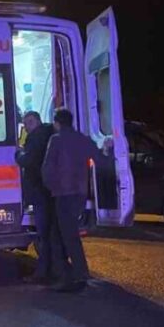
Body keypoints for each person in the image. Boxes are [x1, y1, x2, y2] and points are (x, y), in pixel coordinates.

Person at [41, 108, 99, 292]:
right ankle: (76, 274)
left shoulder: (56, 140)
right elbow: (98, 158)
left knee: (64, 236)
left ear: (57, 122)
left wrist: (51, 187)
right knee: (67, 233)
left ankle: (72, 276)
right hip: (79, 194)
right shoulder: (82, 139)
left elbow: (47, 168)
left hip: (63, 194)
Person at [15, 111, 60, 283]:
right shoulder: (50, 133)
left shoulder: (36, 138)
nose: (27, 127)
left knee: (44, 234)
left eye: (29, 123)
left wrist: (18, 154)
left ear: (37, 121)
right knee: (51, 233)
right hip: (51, 191)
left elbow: (28, 161)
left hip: (40, 191)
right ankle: (56, 270)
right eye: (25, 124)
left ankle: (44, 273)